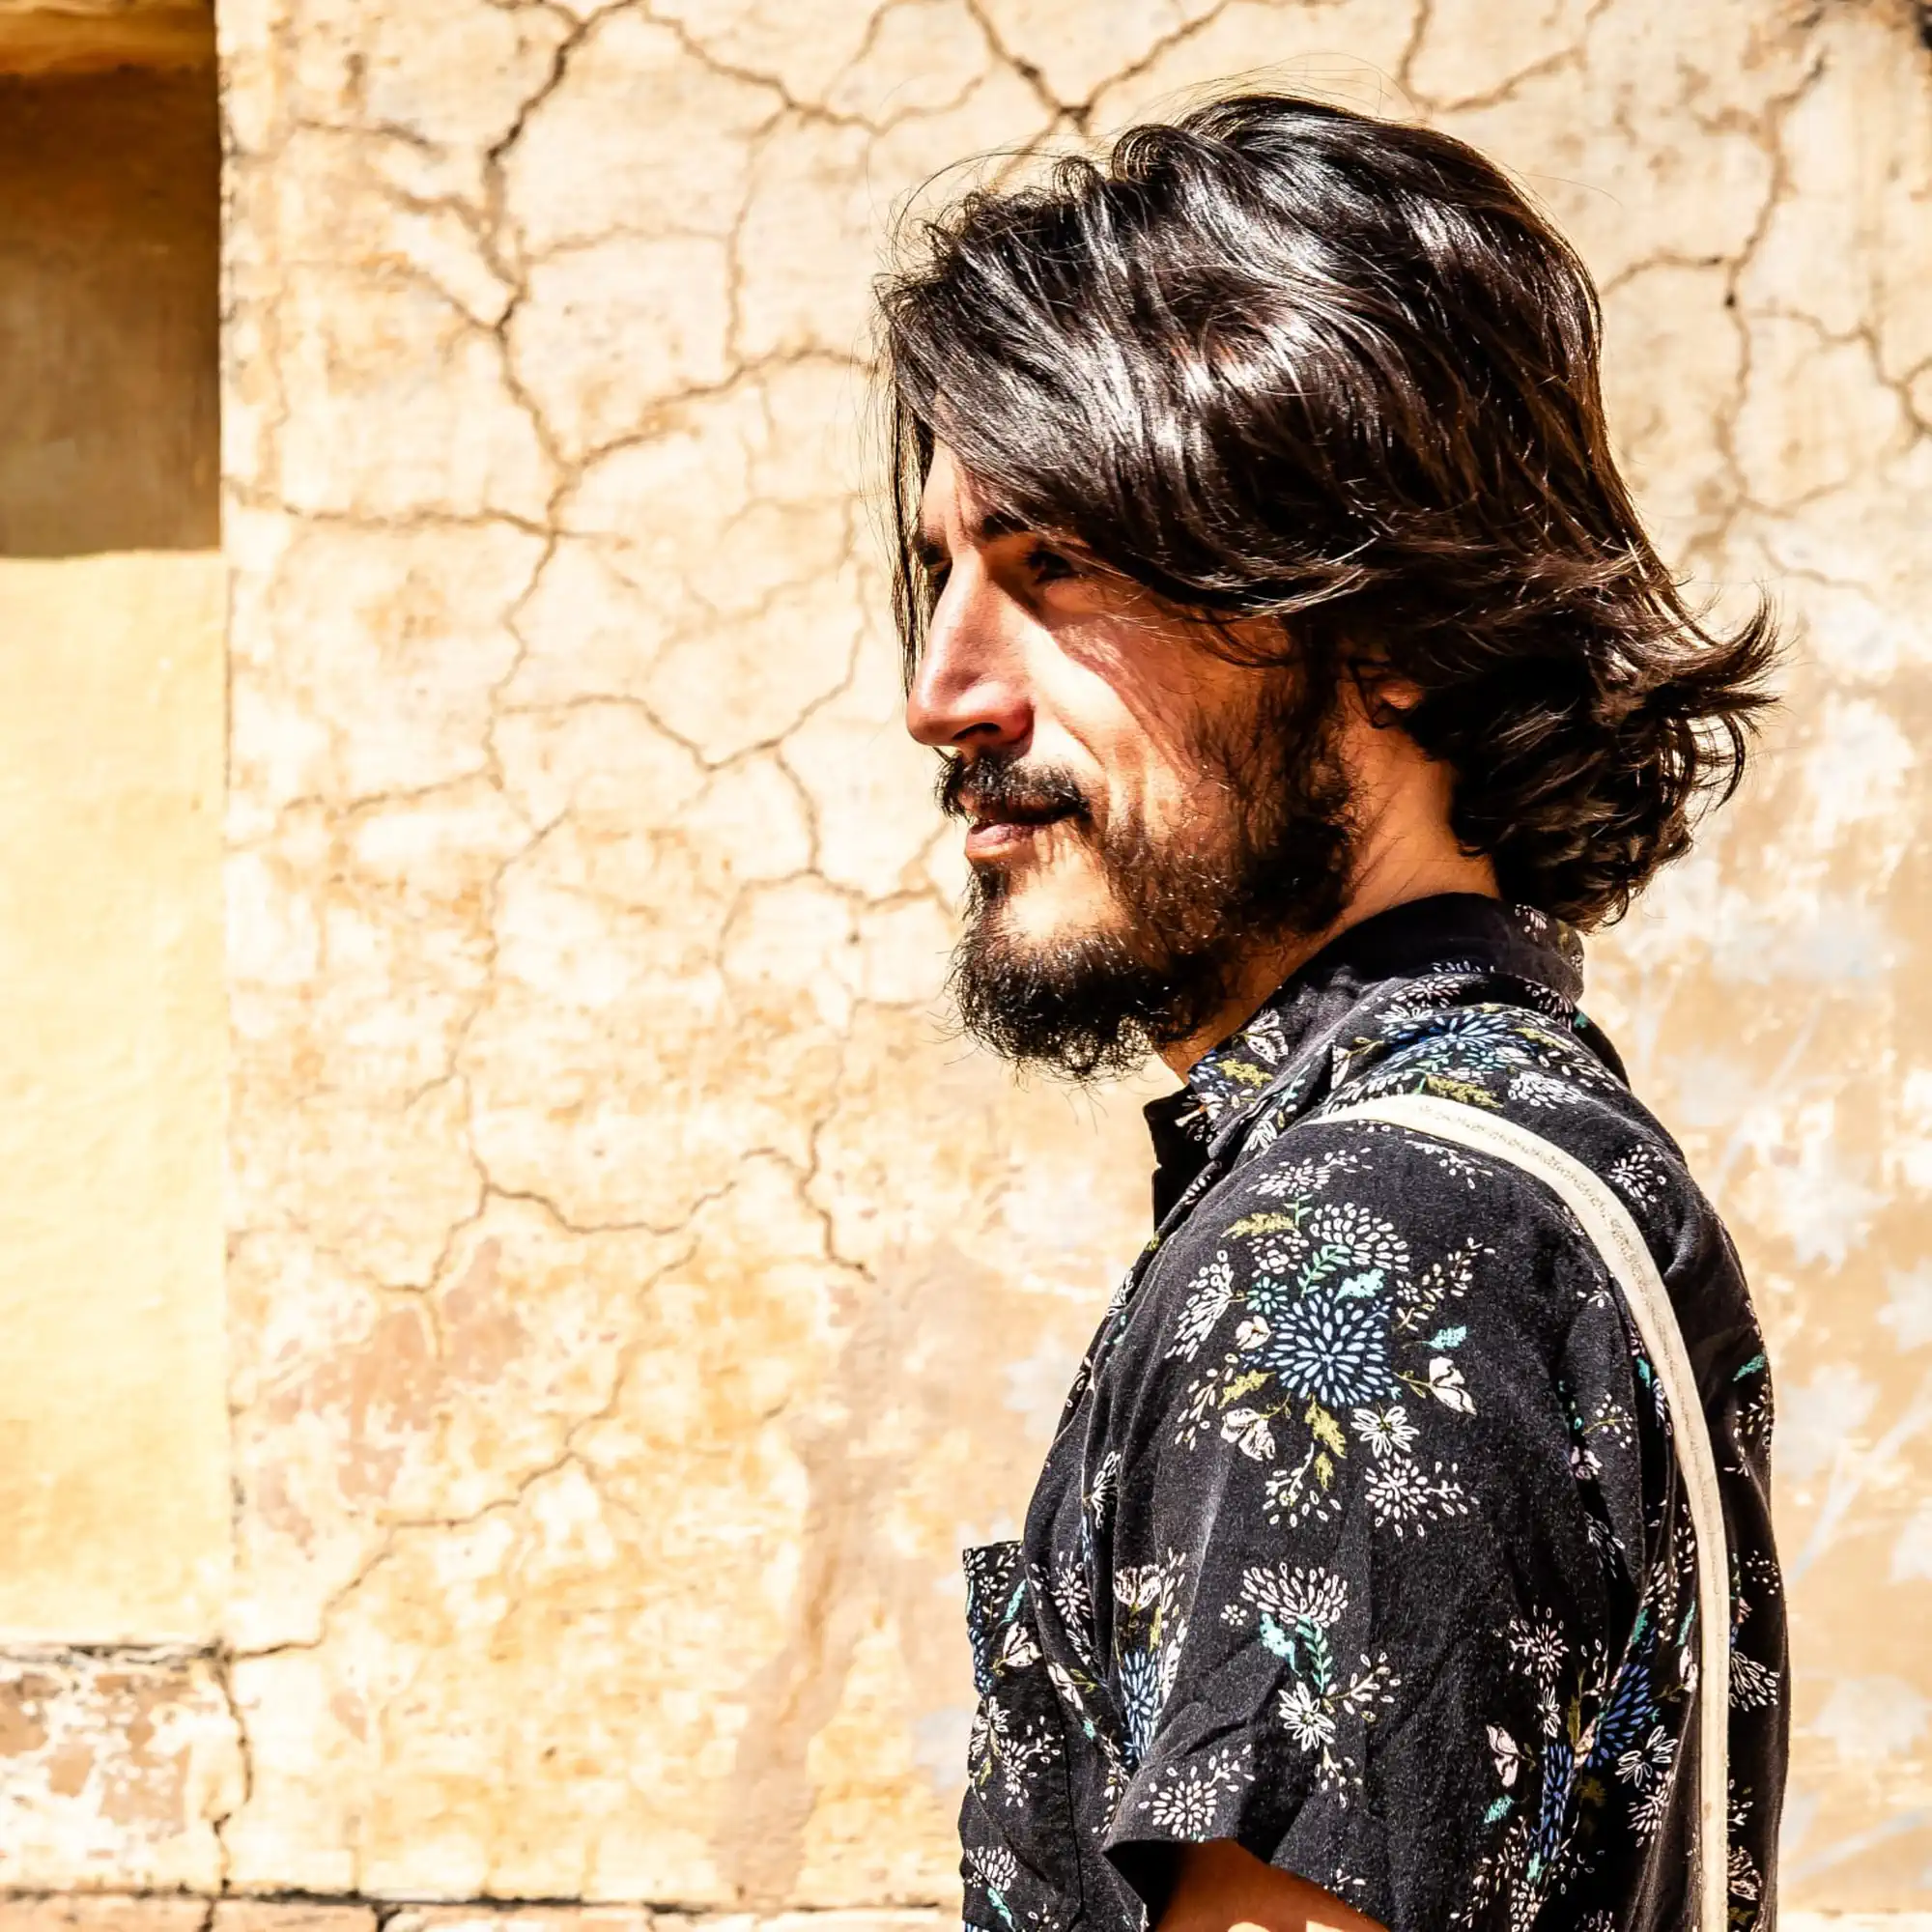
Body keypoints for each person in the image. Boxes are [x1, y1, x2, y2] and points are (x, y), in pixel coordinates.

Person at [874, 94, 1787, 1932]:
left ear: (1393, 634)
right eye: (941, 573)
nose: (943, 690)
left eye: (1056, 566)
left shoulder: (1366, 1253)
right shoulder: (1517, 1160)